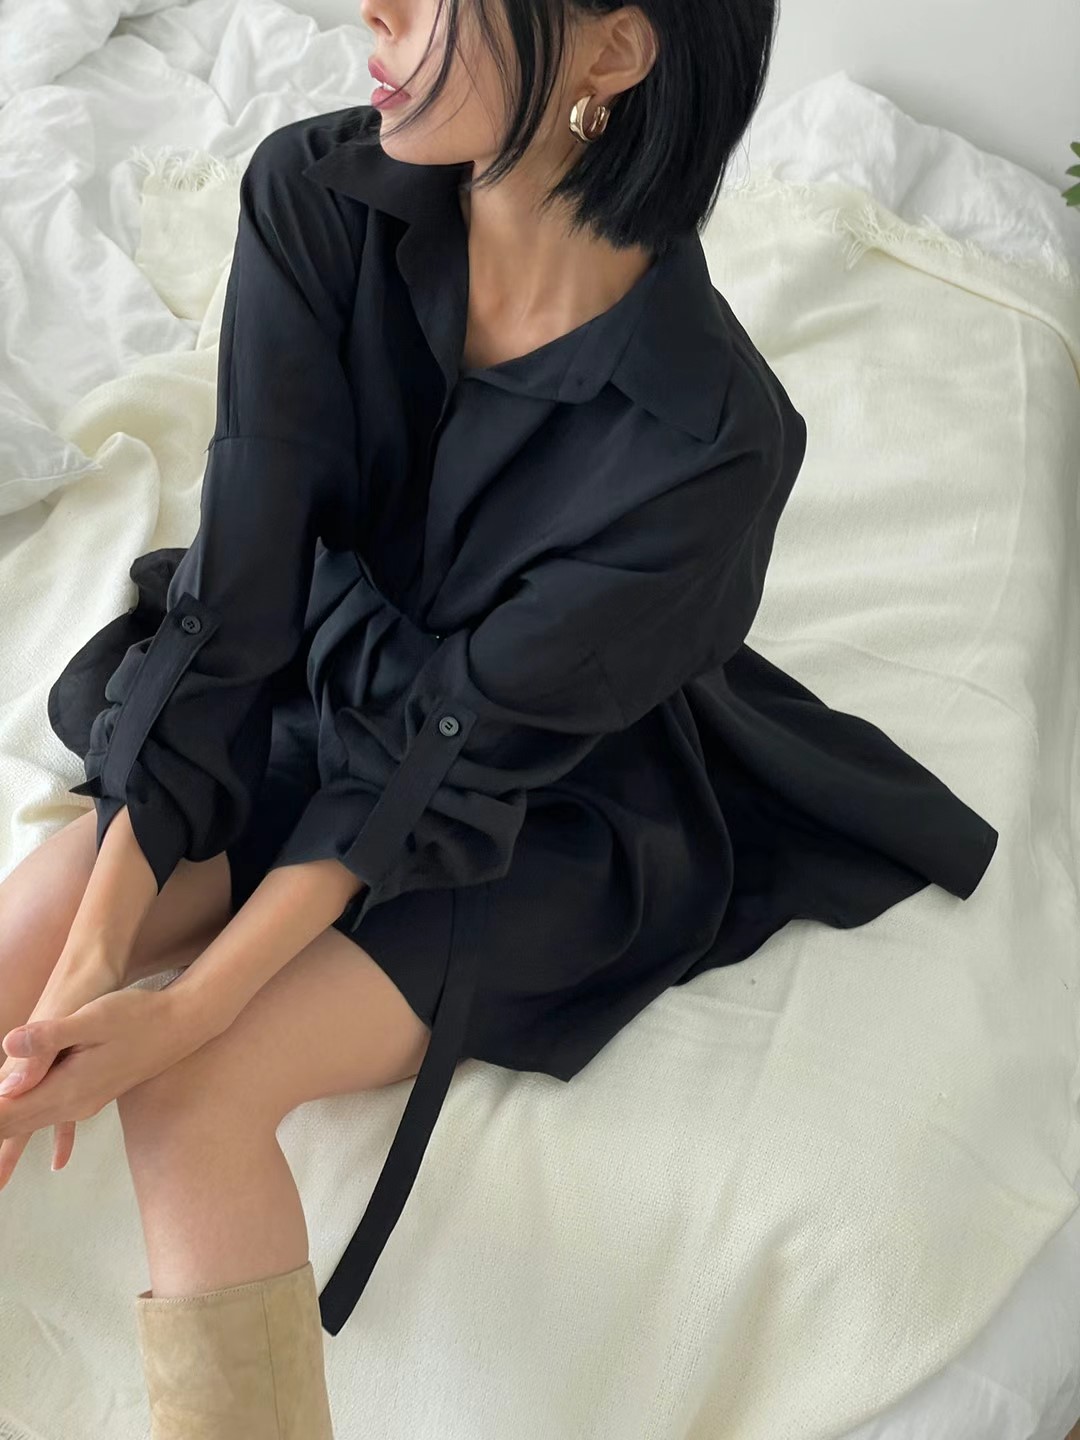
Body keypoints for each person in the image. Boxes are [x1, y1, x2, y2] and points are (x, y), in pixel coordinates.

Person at [0, 0, 997, 1433]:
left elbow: (452, 760)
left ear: (614, 51)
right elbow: (238, 600)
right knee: (32, 961)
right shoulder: (314, 197)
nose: (378, 11)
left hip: (527, 800)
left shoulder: (711, 441)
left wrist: (195, 1004)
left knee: (191, 1091)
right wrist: (99, 955)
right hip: (310, 681)